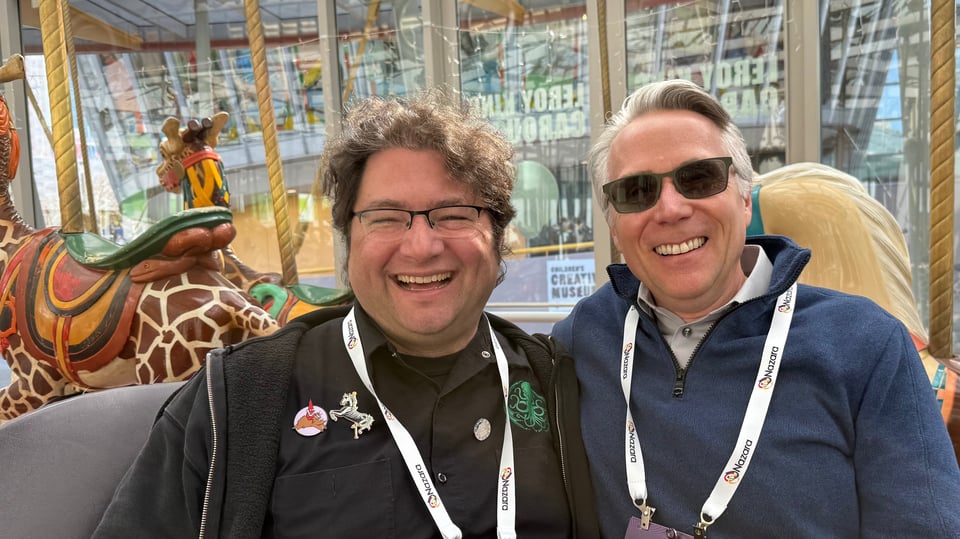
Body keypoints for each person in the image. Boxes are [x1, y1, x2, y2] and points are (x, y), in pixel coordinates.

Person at [92, 89, 599, 538]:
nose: (421, 246)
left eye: (454, 215)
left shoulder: (557, 386)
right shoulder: (239, 397)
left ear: (498, 238)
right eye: (386, 218)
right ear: (348, 240)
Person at [552, 79, 960, 538]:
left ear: (745, 198)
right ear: (613, 223)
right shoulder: (583, 336)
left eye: (700, 178)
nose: (670, 208)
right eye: (636, 191)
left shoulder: (864, 344)